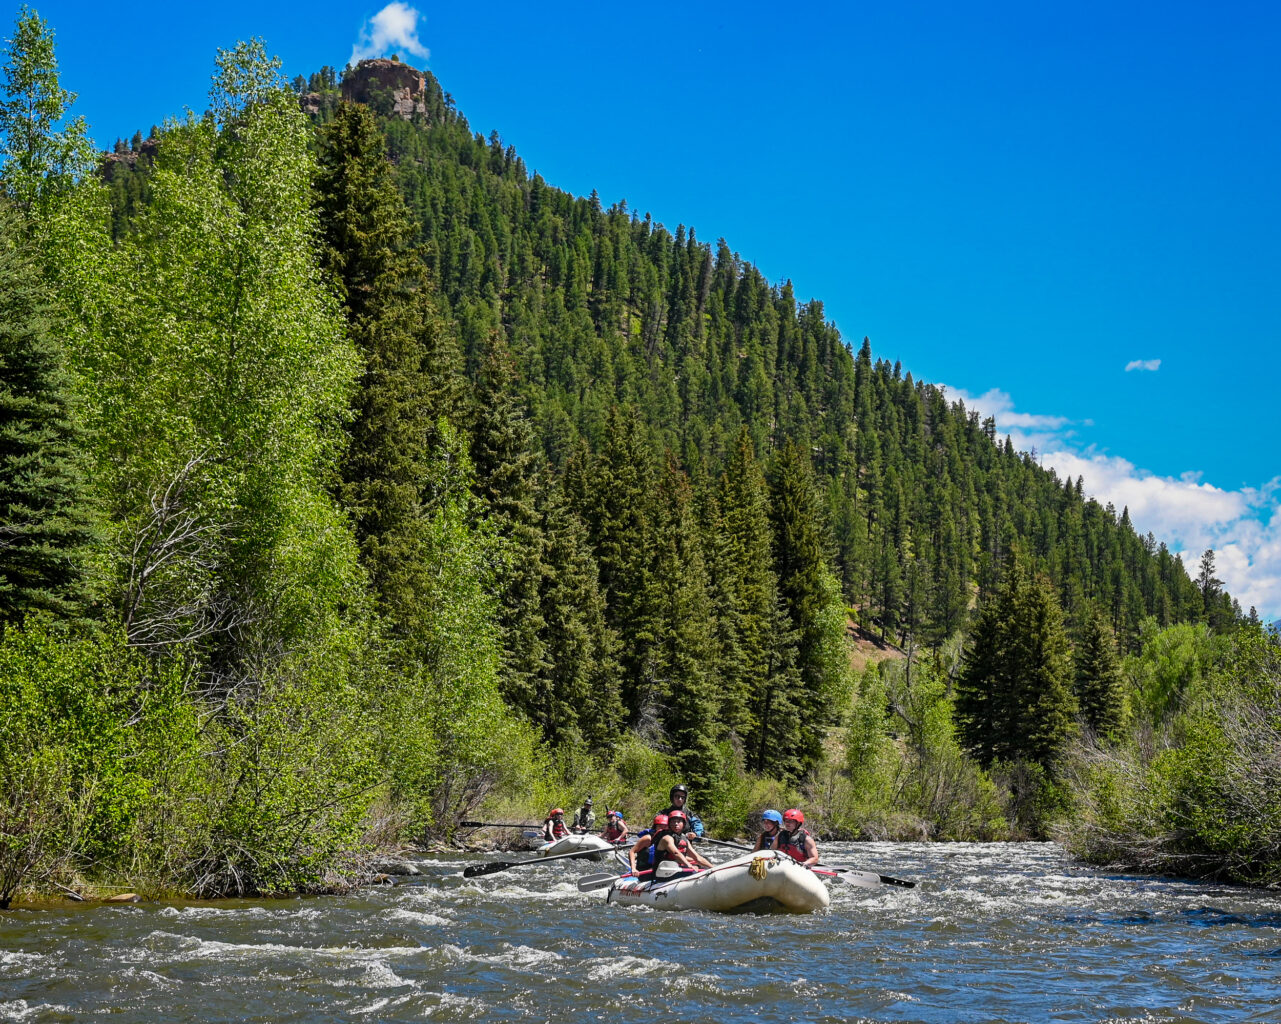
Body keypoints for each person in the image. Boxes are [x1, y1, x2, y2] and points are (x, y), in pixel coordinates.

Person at [650, 810, 713, 879]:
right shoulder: (667, 838)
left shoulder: (684, 839)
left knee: (702, 866)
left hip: (676, 870)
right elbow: (676, 853)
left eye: (679, 821)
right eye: (673, 821)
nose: (676, 824)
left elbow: (697, 857)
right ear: (669, 824)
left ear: (684, 824)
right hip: (662, 874)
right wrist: (690, 866)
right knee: (694, 872)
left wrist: (713, 868)